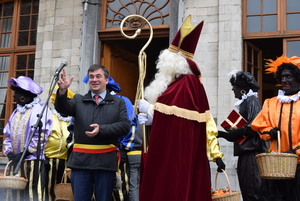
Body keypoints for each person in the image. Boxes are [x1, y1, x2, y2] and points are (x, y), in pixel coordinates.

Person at [137, 15, 225, 201]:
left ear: (174, 62)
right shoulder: (177, 82)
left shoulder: (187, 82)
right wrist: (153, 116)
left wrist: (152, 113)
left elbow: (178, 123)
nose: (161, 65)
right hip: (170, 153)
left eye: (165, 60)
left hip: (178, 156)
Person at [54, 64, 131, 201]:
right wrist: (62, 92)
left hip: (105, 163)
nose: (94, 80)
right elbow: (63, 109)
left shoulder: (118, 102)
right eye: (91, 77)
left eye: (98, 76)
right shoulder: (78, 100)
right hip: (80, 163)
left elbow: (125, 126)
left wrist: (102, 129)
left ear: (106, 80)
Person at [251, 55, 300, 201]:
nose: (284, 80)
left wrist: (295, 152)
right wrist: (269, 132)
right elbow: (259, 125)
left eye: (289, 76)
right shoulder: (270, 103)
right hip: (276, 167)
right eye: (282, 77)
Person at [217, 69, 268, 201]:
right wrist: (223, 134)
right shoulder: (246, 102)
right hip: (245, 153)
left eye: (234, 86)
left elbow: (253, 126)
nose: (233, 89)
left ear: (242, 89)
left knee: (253, 190)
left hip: (252, 154)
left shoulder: (252, 101)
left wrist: (235, 132)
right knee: (247, 189)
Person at [3, 76, 53, 201]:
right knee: (15, 195)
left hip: (32, 162)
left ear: (25, 95)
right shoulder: (16, 112)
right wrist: (9, 152)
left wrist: (25, 153)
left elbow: (42, 136)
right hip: (16, 162)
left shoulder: (39, 109)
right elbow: (8, 135)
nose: (14, 96)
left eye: (17, 92)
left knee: (32, 194)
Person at [44, 86, 74, 201]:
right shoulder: (49, 117)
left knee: (64, 193)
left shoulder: (72, 119)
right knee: (49, 190)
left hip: (66, 162)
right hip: (49, 161)